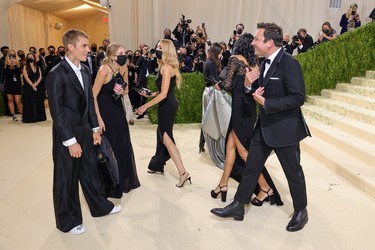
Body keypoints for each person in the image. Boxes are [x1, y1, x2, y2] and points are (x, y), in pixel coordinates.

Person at [210, 22, 311, 232]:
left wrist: (268, 104)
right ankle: (239, 205)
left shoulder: (290, 64)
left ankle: (301, 210)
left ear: (270, 42)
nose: (253, 42)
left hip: (285, 130)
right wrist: (247, 84)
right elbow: (256, 89)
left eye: (257, 39)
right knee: (252, 168)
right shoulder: (263, 63)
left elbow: (298, 97)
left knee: (293, 173)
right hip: (263, 128)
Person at [46, 29, 121, 235]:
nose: (89, 49)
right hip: (67, 134)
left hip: (87, 131)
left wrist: (95, 128)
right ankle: (68, 221)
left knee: (90, 172)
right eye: (84, 46)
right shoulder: (56, 74)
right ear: (70, 47)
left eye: (88, 46)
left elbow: (89, 100)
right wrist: (70, 141)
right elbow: (57, 112)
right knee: (66, 178)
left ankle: (100, 207)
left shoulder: (86, 71)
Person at [210, 33, 283, 206]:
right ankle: (223, 184)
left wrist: (219, 85)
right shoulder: (256, 64)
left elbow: (227, 85)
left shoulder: (235, 59)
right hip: (249, 110)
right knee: (230, 147)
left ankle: (265, 188)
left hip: (239, 110)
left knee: (243, 152)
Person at [136, 39, 191, 188]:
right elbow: (162, 92)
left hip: (167, 105)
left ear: (166, 50)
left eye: (160, 47)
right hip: (166, 103)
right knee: (162, 134)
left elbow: (165, 94)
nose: (157, 49)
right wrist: (152, 94)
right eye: (157, 46)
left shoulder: (166, 68)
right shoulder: (165, 66)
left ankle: (183, 173)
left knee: (166, 138)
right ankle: (157, 164)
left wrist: (145, 106)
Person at [93, 42, 140, 198]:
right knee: (109, 148)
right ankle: (111, 184)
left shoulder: (123, 68)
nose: (124, 56)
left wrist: (120, 90)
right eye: (120, 53)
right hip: (105, 112)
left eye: (124, 53)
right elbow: (93, 96)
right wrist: (98, 118)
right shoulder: (103, 70)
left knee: (123, 144)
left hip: (118, 111)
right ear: (112, 56)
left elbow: (126, 90)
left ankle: (125, 180)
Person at [200, 42, 224, 155]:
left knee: (207, 118)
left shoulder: (207, 62)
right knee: (212, 119)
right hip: (212, 93)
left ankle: (202, 144)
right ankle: (212, 146)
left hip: (207, 92)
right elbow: (216, 83)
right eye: (220, 53)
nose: (221, 55)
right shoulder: (212, 64)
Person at [22, 52, 46, 123]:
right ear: (27, 59)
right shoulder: (25, 67)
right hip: (28, 86)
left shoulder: (38, 67)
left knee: (38, 101)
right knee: (29, 102)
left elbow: (40, 77)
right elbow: (26, 78)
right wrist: (32, 85)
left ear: (34, 58)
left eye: (31, 57)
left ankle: (40, 117)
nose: (30, 58)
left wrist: (36, 84)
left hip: (37, 85)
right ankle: (30, 118)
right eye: (29, 57)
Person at [3, 50, 23, 121]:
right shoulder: (4, 64)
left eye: (13, 54)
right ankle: (13, 115)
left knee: (18, 101)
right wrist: (8, 65)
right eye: (10, 54)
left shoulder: (18, 63)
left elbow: (18, 73)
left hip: (16, 84)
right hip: (8, 84)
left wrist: (14, 65)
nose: (12, 55)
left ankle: (23, 114)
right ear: (8, 55)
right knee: (10, 100)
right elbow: (5, 73)